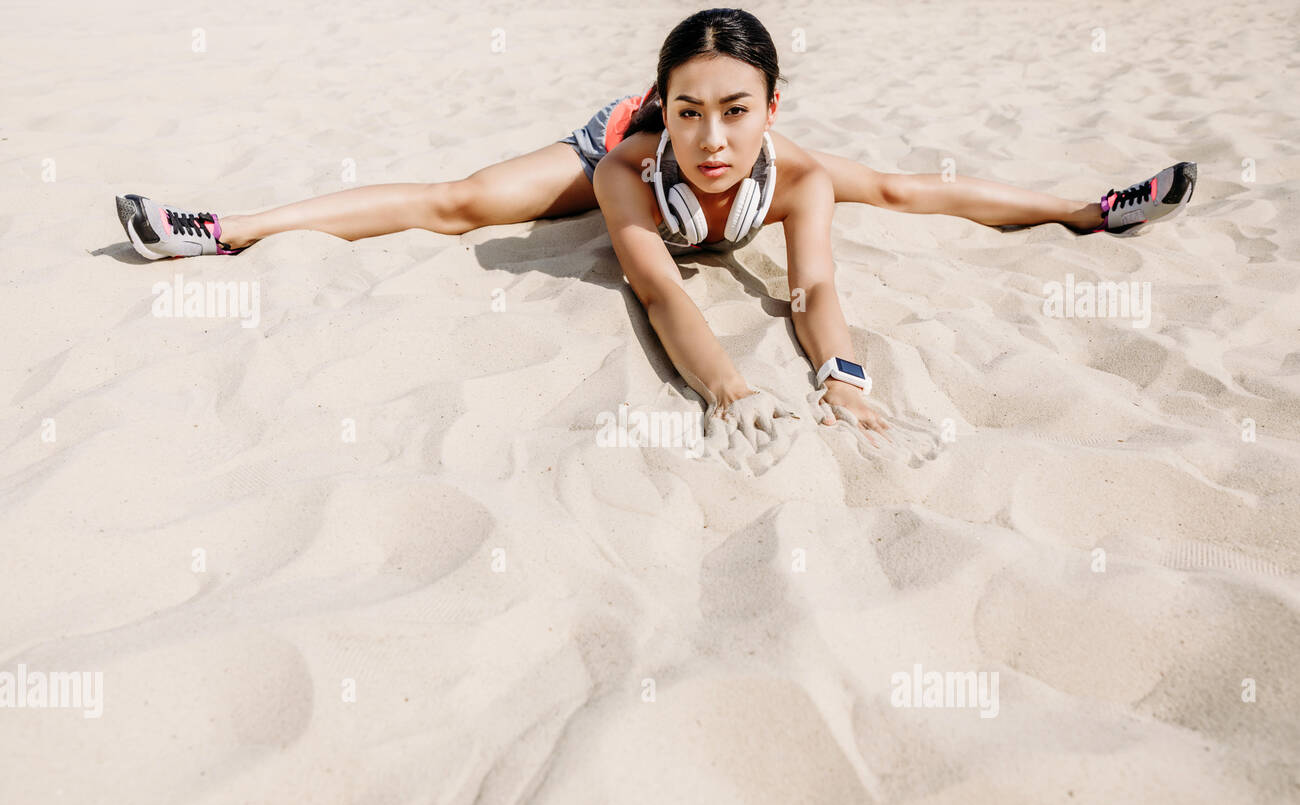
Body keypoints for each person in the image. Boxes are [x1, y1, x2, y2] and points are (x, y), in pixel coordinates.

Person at [114, 7, 1196, 450]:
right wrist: (727, 388)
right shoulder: (637, 159)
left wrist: (841, 374)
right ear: (664, 108)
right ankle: (227, 228)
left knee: (906, 188)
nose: (715, 139)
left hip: (748, 156)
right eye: (693, 112)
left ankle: (1090, 209)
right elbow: (661, 287)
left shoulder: (797, 169)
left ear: (771, 111)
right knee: (458, 203)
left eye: (736, 112)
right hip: (606, 152)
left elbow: (814, 291)